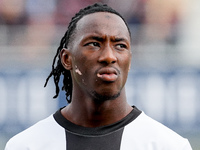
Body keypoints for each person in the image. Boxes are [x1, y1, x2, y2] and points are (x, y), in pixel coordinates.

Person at [5, 3, 192, 150]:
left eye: (120, 45)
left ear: (130, 59)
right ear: (67, 58)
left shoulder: (169, 146)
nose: (109, 56)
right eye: (94, 43)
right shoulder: (26, 146)